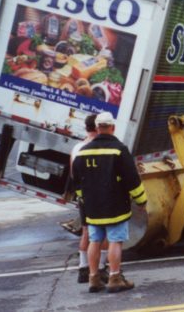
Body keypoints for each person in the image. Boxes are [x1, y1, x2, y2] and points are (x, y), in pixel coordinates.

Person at [73, 111, 147, 293]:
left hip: (92, 207)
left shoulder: (83, 151)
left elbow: (76, 179)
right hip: (115, 205)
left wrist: (84, 198)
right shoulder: (119, 149)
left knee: (94, 240)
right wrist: (141, 200)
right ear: (112, 127)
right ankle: (114, 277)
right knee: (115, 240)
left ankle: (93, 279)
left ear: (97, 128)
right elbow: (132, 178)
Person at [69, 114, 109, 284]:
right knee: (106, 231)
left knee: (86, 231)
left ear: (86, 128)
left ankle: (83, 268)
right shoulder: (97, 147)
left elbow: (73, 174)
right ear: (98, 127)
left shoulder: (77, 147)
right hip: (100, 194)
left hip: (83, 195)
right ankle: (101, 268)